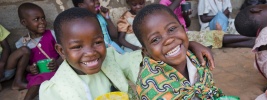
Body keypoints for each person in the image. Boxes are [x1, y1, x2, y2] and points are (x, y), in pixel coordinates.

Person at [39, 7, 221, 100]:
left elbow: (147, 56)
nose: (90, 53)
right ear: (61, 51)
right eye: (78, 47)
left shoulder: (110, 59)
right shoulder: (54, 90)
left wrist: (188, 45)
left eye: (97, 42)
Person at [133, 4, 225, 99]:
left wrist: (190, 44)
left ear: (183, 28)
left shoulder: (198, 60)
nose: (169, 40)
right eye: (155, 39)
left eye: (172, 29)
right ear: (146, 51)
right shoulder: (150, 87)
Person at [12, 2, 63, 100]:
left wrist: (57, 62)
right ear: (24, 22)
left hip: (56, 69)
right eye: (36, 19)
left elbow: (64, 51)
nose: (42, 22)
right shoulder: (22, 43)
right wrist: (29, 69)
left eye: (43, 18)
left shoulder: (53, 34)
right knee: (37, 81)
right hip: (37, 74)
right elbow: (22, 64)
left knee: (44, 79)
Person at [0, 25, 12, 91]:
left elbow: (6, 48)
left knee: (23, 50)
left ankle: (18, 82)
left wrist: (2, 64)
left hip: (3, 62)